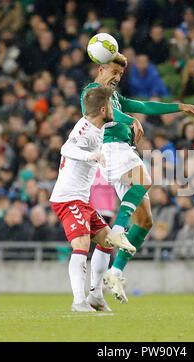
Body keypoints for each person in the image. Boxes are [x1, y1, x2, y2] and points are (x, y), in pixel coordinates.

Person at [81, 53, 194, 304]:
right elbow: (106, 112)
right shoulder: (94, 89)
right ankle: (117, 230)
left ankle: (115, 273)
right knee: (144, 178)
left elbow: (146, 106)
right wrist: (131, 121)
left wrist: (180, 107)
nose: (116, 78)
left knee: (145, 221)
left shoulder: (115, 96)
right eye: (113, 72)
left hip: (123, 152)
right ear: (101, 69)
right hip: (112, 148)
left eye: (120, 75)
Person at [50, 86, 136, 312]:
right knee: (81, 244)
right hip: (68, 198)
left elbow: (118, 116)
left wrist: (133, 121)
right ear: (102, 108)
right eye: (110, 105)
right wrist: (91, 155)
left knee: (107, 240)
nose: (113, 109)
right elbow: (65, 147)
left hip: (81, 199)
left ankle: (95, 295)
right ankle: (78, 301)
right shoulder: (84, 128)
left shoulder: (100, 124)